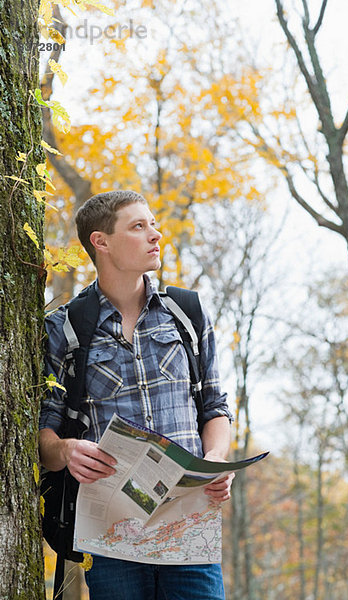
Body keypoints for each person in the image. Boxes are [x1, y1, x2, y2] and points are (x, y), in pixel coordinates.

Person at [39, 190, 234, 600]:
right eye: (139, 226)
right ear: (101, 241)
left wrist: (215, 459)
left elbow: (214, 408)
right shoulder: (65, 328)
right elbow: (43, 436)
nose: (156, 235)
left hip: (188, 528)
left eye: (154, 224)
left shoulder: (187, 313)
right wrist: (67, 451)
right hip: (112, 532)